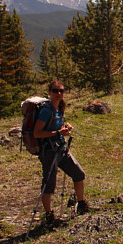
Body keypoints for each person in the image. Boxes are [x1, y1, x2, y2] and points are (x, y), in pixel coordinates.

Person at [33, 80, 88, 225]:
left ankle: (81, 204)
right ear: (49, 93)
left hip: (61, 149)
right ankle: (49, 215)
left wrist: (65, 127)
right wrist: (59, 132)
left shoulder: (59, 109)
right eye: (55, 91)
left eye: (61, 91)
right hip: (49, 152)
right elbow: (37, 133)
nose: (59, 94)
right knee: (49, 184)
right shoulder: (46, 111)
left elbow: (56, 126)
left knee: (79, 174)